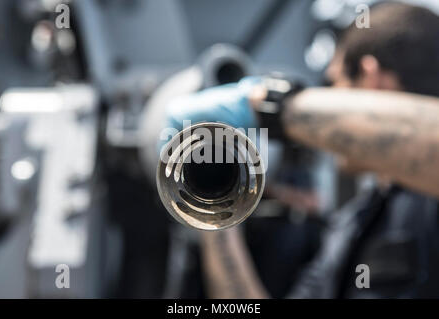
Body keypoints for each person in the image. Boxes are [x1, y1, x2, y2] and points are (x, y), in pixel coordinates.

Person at [160, 2, 439, 298]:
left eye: (333, 84)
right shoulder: (351, 227)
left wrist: (267, 104)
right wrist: (214, 210)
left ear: (372, 79)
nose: (327, 96)